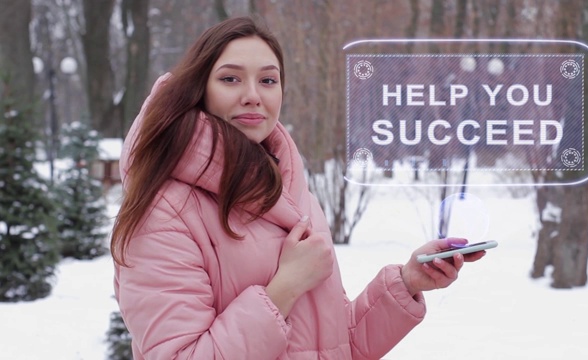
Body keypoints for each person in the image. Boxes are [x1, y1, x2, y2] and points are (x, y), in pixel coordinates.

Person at [111, 15, 486, 360]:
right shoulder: (162, 213)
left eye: (268, 80)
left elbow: (334, 345)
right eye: (230, 78)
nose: (253, 95)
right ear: (198, 90)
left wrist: (406, 282)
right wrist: (284, 288)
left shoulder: (287, 191)